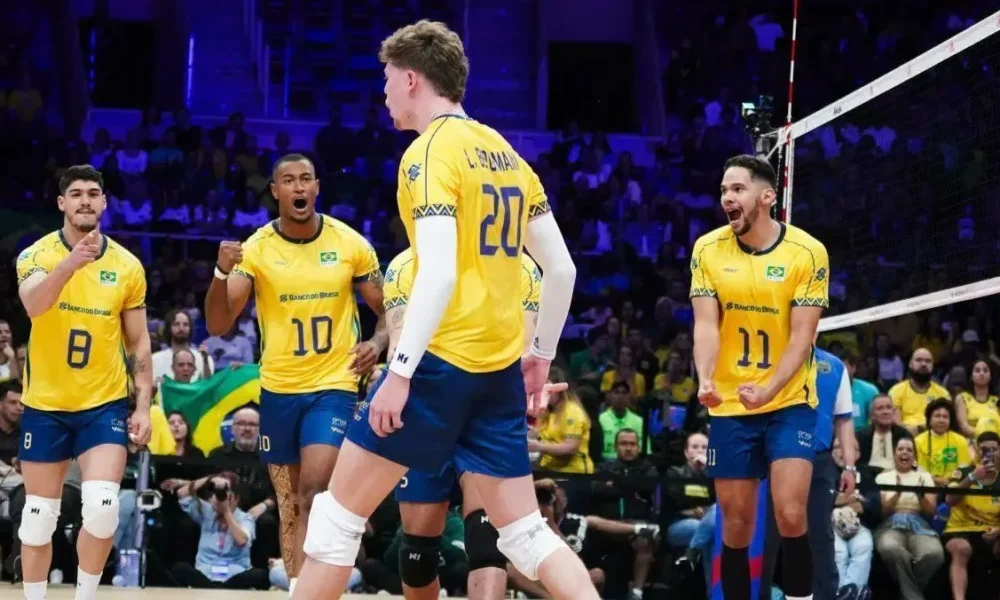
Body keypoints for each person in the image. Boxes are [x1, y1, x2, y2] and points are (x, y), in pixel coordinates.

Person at [294, 20, 591, 600]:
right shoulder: (506, 153)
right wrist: (539, 355)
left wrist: (400, 372)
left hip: (438, 363)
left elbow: (440, 271)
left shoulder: (428, 153)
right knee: (527, 534)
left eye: (386, 79)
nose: (383, 93)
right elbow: (562, 270)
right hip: (498, 370)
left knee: (335, 522)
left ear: (411, 79)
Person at [204, 152, 388, 597]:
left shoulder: (351, 243)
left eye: (306, 178)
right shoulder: (256, 249)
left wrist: (378, 342)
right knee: (289, 505)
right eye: (289, 180)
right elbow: (217, 324)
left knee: (315, 491)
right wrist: (220, 272)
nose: (299, 187)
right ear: (276, 191)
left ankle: (314, 591)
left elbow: (389, 311)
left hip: (334, 385)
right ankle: (299, 587)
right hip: (279, 389)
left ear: (317, 187)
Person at [380, 247, 566, 599]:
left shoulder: (522, 268)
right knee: (417, 557)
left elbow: (523, 349)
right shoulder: (406, 265)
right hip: (427, 415)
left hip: (485, 415)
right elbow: (398, 347)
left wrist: (528, 392)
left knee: (486, 539)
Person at [690, 154, 829, 600]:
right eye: (723, 191)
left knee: (790, 512)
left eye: (738, 189)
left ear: (767, 197)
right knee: (735, 522)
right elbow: (706, 324)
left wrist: (769, 389)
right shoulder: (707, 249)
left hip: (788, 401)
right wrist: (705, 378)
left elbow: (803, 337)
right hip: (731, 403)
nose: (727, 198)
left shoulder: (808, 252)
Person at [14, 164, 153, 600]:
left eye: (93, 193)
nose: (85, 201)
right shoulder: (36, 255)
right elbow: (34, 305)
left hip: (103, 405)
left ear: (104, 202)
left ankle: (85, 596)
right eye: (76, 194)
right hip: (45, 404)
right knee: (38, 517)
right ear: (62, 203)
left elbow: (138, 341)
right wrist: (70, 264)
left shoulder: (127, 266)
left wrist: (143, 406)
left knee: (103, 508)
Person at [759, 346, 857, 600]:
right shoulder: (771, 356)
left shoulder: (835, 366)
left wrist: (849, 466)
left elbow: (844, 419)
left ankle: (826, 596)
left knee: (820, 535)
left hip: (819, 460)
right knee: (767, 536)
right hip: (775, 459)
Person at [943, 431, 1000, 600]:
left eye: (993, 449)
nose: (989, 454)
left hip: (992, 530)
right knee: (961, 548)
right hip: (960, 529)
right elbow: (949, 500)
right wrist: (972, 477)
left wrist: (998, 530)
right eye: (984, 449)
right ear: (976, 450)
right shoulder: (963, 471)